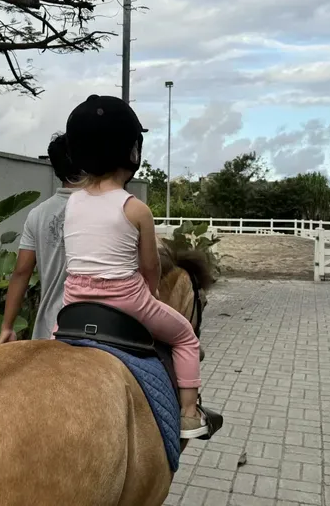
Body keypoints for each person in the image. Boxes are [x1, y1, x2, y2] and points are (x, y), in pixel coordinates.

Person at [59, 94, 218, 439]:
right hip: (126, 301)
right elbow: (149, 270)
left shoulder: (72, 203)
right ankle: (189, 415)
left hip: (72, 304)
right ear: (133, 152)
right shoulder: (135, 208)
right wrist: (150, 297)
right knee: (186, 339)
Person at [0, 133, 81, 344]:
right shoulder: (103, 209)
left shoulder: (38, 214)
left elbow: (21, 272)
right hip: (92, 328)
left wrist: (7, 326)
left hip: (48, 328)